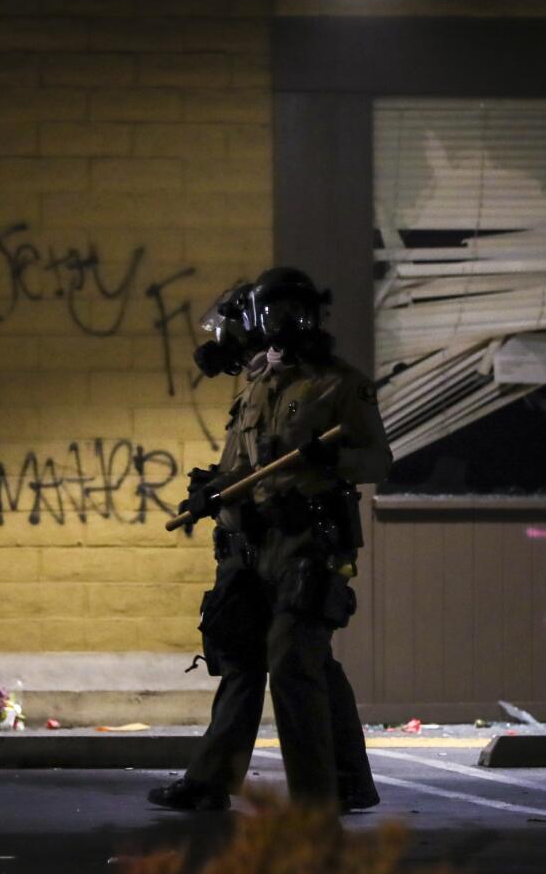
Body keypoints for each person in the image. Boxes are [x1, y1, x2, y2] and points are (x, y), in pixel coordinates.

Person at [148, 267, 394, 813]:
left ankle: (317, 794)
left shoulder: (339, 384)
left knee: (294, 663)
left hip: (306, 546)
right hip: (246, 546)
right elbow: (245, 465)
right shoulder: (259, 385)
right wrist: (211, 489)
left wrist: (335, 458)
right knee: (241, 658)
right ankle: (213, 780)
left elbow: (379, 459)